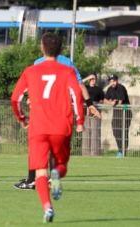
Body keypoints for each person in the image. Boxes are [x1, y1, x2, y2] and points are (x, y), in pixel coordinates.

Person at [11, 32, 84, 222]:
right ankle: (57, 174)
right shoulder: (67, 71)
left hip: (38, 128)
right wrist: (80, 121)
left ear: (42, 48)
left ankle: (48, 208)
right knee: (61, 166)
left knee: (39, 172)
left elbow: (15, 98)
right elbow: (77, 95)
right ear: (60, 51)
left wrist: (21, 118)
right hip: (61, 126)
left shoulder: (30, 71)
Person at [14, 37, 102, 190]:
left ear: (42, 47)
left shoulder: (36, 64)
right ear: (60, 48)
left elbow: (26, 91)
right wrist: (89, 104)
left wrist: (27, 106)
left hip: (41, 113)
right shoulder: (67, 63)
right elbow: (79, 84)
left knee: (36, 146)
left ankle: (32, 180)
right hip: (61, 112)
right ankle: (48, 178)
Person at [104, 74, 132, 158]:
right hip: (116, 112)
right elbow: (105, 100)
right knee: (115, 131)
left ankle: (123, 151)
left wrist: (115, 102)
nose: (112, 83)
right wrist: (111, 102)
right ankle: (120, 150)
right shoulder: (109, 89)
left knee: (123, 131)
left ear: (117, 80)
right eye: (111, 81)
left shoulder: (121, 88)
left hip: (124, 112)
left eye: (114, 81)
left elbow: (120, 102)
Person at [82, 72, 105, 156]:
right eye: (91, 79)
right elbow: (78, 84)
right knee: (86, 132)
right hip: (86, 113)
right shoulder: (85, 87)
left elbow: (101, 101)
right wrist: (87, 78)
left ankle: (95, 153)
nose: (92, 81)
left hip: (95, 113)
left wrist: (94, 106)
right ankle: (85, 153)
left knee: (95, 132)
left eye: (94, 79)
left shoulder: (99, 90)